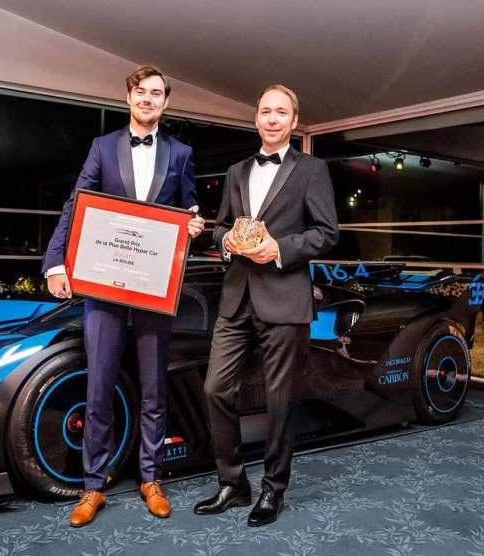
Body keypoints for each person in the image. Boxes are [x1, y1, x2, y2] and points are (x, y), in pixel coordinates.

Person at [43, 65, 205, 527]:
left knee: (154, 387)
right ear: (128, 97)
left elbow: (189, 209)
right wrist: (56, 263)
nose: (148, 99)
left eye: (157, 93)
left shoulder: (181, 154)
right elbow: (76, 205)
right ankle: (93, 486)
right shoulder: (102, 147)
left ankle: (151, 478)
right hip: (105, 284)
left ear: (165, 102)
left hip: (154, 287)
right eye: (141, 92)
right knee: (99, 387)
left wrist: (193, 224)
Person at [193, 84, 338, 527]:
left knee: (280, 401)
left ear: (293, 121)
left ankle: (273, 489)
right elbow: (220, 228)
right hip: (236, 296)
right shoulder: (236, 171)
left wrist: (278, 249)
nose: (271, 118)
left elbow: (327, 233)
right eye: (265, 111)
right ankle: (232, 484)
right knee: (215, 389)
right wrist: (227, 242)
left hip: (285, 296)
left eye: (280, 112)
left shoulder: (312, 169)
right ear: (256, 118)